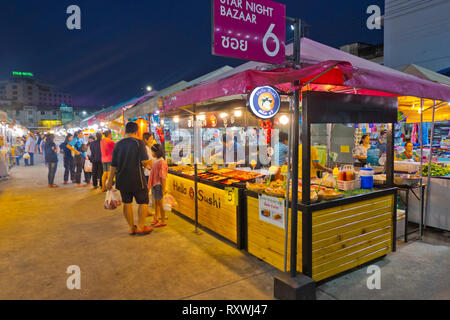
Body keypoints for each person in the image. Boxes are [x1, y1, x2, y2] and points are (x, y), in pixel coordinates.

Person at [106, 122, 153, 236]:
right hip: (138, 179)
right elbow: (144, 162)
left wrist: (109, 180)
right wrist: (150, 163)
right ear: (137, 132)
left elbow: (113, 165)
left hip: (122, 179)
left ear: (125, 131)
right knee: (143, 201)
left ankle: (131, 228)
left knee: (127, 203)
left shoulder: (118, 144)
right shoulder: (139, 143)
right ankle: (141, 227)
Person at [148, 143, 168, 228]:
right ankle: (156, 217)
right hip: (155, 185)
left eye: (152, 151)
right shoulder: (155, 160)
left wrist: (164, 188)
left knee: (160, 203)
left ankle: (163, 220)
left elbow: (163, 176)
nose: (151, 153)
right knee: (156, 203)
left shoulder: (162, 162)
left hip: (159, 185)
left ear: (156, 152)